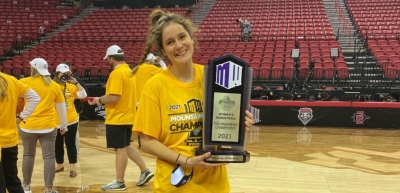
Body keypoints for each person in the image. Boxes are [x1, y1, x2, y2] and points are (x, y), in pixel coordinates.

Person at [132, 9, 254, 193]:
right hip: (174, 186)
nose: (179, 45)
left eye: (182, 37)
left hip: (214, 184)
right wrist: (187, 161)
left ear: (192, 38)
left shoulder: (212, 77)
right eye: (170, 42)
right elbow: (147, 142)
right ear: (164, 50)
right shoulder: (155, 85)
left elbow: (223, 127)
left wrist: (238, 123)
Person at [88, 45, 154, 191]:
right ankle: (145, 171)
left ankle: (120, 182)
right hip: (129, 116)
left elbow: (114, 97)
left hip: (118, 117)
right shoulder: (130, 71)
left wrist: (99, 100)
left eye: (108, 59)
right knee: (126, 145)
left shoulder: (117, 74)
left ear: (111, 58)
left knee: (119, 149)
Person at [19, 58, 68, 193]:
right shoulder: (54, 86)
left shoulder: (24, 82)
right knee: (49, 158)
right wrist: (64, 125)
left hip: (27, 125)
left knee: (28, 155)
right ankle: (48, 189)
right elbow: (61, 108)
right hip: (48, 126)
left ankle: (26, 186)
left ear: (33, 68)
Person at [0, 72, 40, 193]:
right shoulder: (11, 80)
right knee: (12, 180)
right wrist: (22, 117)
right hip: (10, 139)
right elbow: (35, 97)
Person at [53, 63, 87, 178]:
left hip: (71, 120)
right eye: (63, 74)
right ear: (57, 74)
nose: (65, 76)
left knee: (70, 144)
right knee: (57, 145)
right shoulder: (52, 86)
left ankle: (72, 168)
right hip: (55, 121)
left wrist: (76, 82)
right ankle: (59, 165)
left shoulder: (72, 86)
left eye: (68, 74)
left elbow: (83, 95)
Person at [132, 53, 165, 147]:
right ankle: (149, 143)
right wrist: (160, 61)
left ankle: (141, 143)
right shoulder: (150, 68)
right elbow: (167, 72)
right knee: (148, 123)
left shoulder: (138, 68)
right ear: (151, 61)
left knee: (140, 123)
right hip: (146, 100)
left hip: (136, 100)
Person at [62, 61, 89, 155]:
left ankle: (75, 152)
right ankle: (59, 153)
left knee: (74, 133)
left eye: (67, 71)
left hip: (73, 110)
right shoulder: (55, 82)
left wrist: (76, 85)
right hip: (58, 112)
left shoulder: (76, 80)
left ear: (70, 70)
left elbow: (85, 93)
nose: (65, 74)